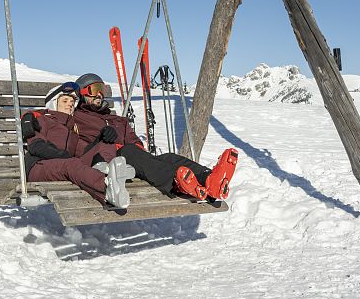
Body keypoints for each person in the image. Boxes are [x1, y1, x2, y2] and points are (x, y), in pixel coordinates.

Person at [72, 73, 239, 201]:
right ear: (82, 94)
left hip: (133, 161)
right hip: (106, 165)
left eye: (101, 89)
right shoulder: (77, 118)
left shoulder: (118, 120)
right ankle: (177, 182)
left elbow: (135, 142)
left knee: (169, 158)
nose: (99, 95)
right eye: (94, 90)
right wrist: (100, 141)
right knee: (129, 151)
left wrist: (138, 152)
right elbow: (75, 147)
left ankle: (210, 180)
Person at [20, 81, 135, 208]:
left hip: (64, 166)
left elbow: (84, 152)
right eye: (65, 101)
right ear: (53, 102)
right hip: (37, 167)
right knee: (71, 164)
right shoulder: (42, 120)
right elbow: (36, 146)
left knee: (106, 142)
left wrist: (101, 139)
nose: (69, 105)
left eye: (72, 102)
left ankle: (106, 169)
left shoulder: (72, 130)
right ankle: (107, 187)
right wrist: (62, 156)